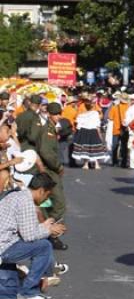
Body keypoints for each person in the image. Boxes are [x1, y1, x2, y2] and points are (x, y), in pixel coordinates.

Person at [0, 172, 66, 299]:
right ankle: (29, 293)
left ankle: (28, 287)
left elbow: (28, 229)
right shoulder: (26, 201)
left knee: (11, 289)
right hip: (4, 247)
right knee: (44, 246)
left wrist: (46, 226)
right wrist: (49, 230)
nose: (46, 199)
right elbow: (29, 236)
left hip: (6, 243)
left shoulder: (18, 195)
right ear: (41, 191)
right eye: (47, 195)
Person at [33, 103, 67, 249]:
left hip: (48, 170)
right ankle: (51, 233)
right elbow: (46, 152)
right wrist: (58, 166)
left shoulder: (51, 128)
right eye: (56, 114)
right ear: (50, 114)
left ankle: (48, 234)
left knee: (48, 204)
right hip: (49, 171)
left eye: (59, 113)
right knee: (59, 204)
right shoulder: (48, 130)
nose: (58, 116)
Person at [72, 98, 108, 170]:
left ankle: (86, 164)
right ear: (92, 106)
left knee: (85, 148)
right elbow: (97, 125)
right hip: (93, 131)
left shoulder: (81, 115)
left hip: (84, 131)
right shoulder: (95, 114)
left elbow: (78, 127)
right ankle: (97, 164)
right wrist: (100, 135)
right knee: (95, 147)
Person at [108, 94, 130, 168]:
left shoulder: (114, 107)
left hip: (116, 129)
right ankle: (124, 162)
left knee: (115, 146)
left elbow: (110, 118)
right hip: (125, 129)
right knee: (124, 146)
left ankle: (114, 162)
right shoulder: (129, 107)